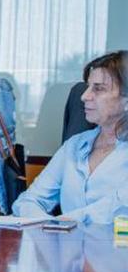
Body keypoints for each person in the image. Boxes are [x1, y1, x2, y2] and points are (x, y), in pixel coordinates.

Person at [13, 50, 128, 223]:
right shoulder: (74, 145)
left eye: (98, 88)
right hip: (65, 247)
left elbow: (117, 209)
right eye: (88, 87)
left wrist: (61, 223)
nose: (84, 96)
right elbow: (28, 201)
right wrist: (47, 225)